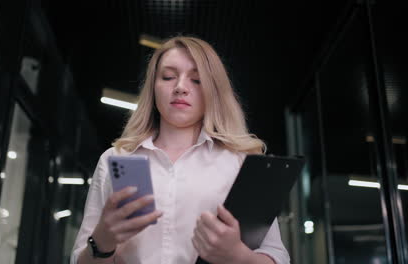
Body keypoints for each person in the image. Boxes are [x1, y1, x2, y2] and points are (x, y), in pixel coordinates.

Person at [70, 36, 290, 264]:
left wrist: (237, 256)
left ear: (213, 91)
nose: (180, 87)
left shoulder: (240, 162)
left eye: (196, 80)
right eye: (168, 77)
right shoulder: (115, 159)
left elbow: (278, 257)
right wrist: (102, 242)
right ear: (153, 88)